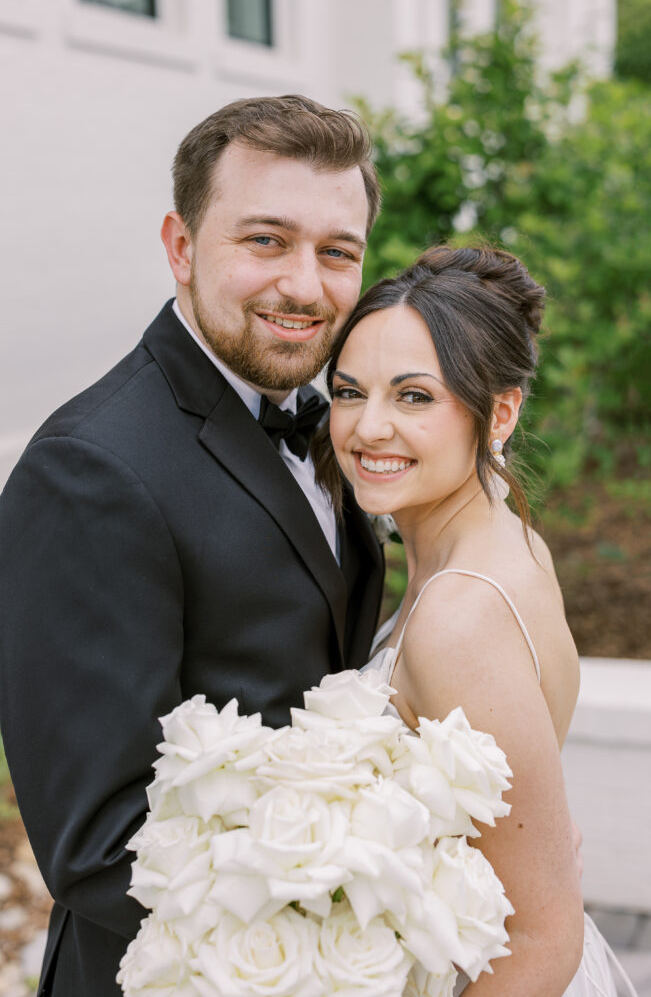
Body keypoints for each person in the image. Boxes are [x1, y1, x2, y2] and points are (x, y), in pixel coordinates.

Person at [0, 95, 385, 996]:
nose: (304, 284)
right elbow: (100, 848)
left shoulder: (328, 421)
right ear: (180, 247)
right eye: (265, 240)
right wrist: (377, 894)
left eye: (337, 251)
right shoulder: (88, 474)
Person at [317, 245, 638, 996]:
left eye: (414, 397)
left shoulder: (459, 616)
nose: (367, 428)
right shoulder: (504, 537)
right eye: (347, 391)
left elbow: (539, 935)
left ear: (500, 410)